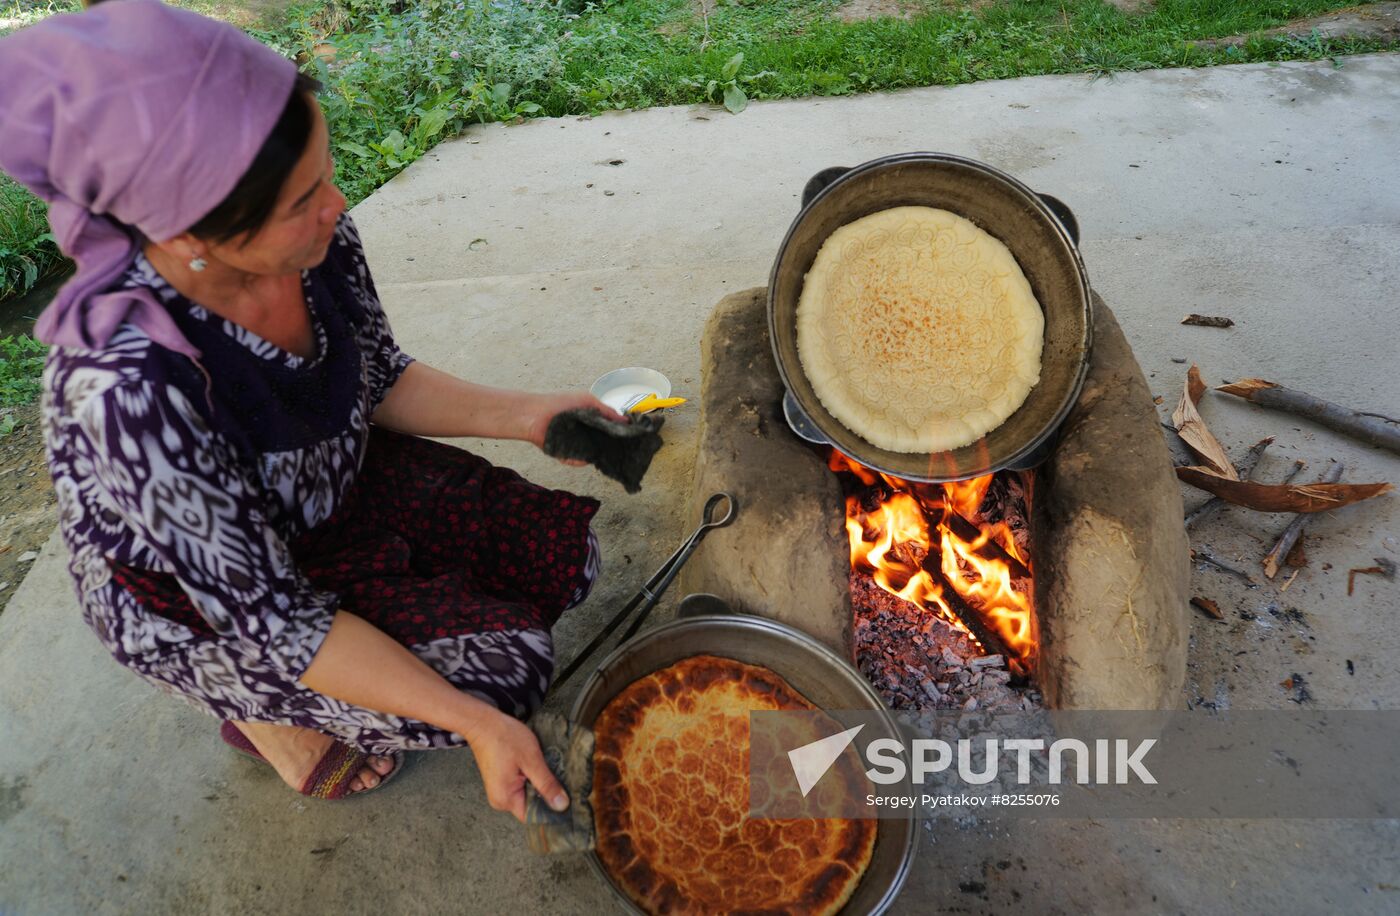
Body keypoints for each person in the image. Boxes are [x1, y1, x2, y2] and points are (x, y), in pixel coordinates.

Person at [0, 0, 626, 815]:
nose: (335, 203)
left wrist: (534, 415)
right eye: (301, 200)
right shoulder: (127, 387)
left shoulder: (315, 241)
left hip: (324, 489)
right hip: (209, 593)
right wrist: (475, 724)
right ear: (187, 230)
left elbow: (377, 374)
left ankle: (333, 666)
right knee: (500, 677)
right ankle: (255, 713)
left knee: (563, 557)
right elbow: (278, 620)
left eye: (325, 174)